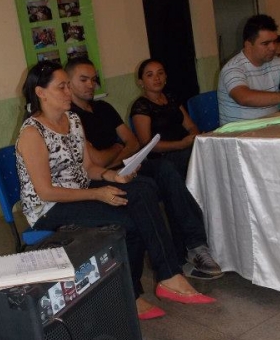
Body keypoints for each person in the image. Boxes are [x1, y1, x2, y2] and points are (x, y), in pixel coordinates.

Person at [16, 61, 217, 321]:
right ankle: (131, 294)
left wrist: (111, 175)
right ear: (41, 92)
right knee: (130, 222)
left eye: (68, 85)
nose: (68, 92)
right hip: (49, 208)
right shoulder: (33, 132)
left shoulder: (73, 120)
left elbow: (88, 167)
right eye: (62, 86)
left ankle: (168, 275)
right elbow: (45, 192)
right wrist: (98, 194)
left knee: (143, 188)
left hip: (79, 189)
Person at [66, 56, 222, 281]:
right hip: (102, 177)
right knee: (148, 185)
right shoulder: (71, 118)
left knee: (166, 170)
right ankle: (174, 262)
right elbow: (96, 161)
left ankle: (195, 246)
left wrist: (115, 154)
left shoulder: (104, 107)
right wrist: (117, 151)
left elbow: (133, 142)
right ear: (68, 82)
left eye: (93, 79)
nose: (91, 84)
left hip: (126, 166)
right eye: (83, 80)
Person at [130, 58, 199, 179]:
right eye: (150, 75)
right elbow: (147, 145)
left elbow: (190, 126)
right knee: (194, 157)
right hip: (163, 156)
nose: (157, 78)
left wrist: (194, 138)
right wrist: (181, 145)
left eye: (160, 73)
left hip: (185, 146)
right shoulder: (141, 106)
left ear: (166, 76)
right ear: (141, 82)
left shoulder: (171, 97)